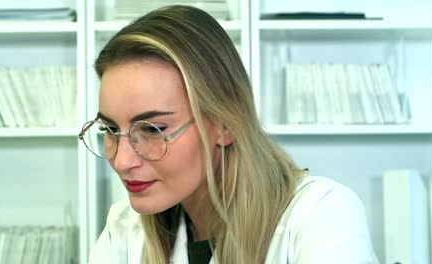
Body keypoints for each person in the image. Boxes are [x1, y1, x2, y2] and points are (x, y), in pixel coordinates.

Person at [80, 5, 377, 264]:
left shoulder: (321, 215)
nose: (121, 161)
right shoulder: (124, 228)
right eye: (109, 129)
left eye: (152, 129)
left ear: (224, 123)